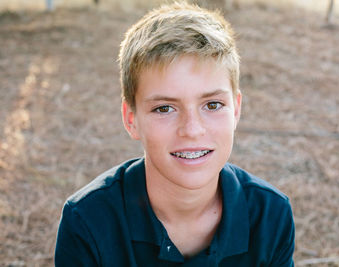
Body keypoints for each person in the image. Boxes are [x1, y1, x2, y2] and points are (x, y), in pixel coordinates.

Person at [54, 2, 295, 266]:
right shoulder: (87, 221)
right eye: (164, 108)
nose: (192, 130)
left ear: (236, 109)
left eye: (212, 105)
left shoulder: (271, 215)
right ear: (131, 119)